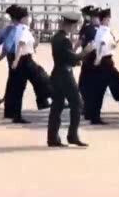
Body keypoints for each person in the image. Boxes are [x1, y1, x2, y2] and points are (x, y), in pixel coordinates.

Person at [0, 4, 51, 116]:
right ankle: (44, 100)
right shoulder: (16, 29)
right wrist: (2, 55)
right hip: (19, 58)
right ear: (22, 18)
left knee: (15, 84)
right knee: (34, 79)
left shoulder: (10, 28)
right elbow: (8, 45)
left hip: (15, 58)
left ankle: (12, 111)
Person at [47, 12, 92, 147]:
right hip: (65, 76)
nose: (77, 28)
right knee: (77, 103)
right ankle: (72, 135)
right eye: (76, 25)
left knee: (57, 106)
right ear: (72, 25)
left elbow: (66, 57)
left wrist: (75, 59)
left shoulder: (56, 37)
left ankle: (52, 137)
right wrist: (86, 52)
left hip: (57, 74)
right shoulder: (65, 40)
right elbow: (72, 59)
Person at [8, 6, 53, 123]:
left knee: (19, 88)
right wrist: (16, 60)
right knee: (42, 77)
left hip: (23, 59)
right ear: (23, 19)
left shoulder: (19, 28)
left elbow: (25, 44)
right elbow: (21, 45)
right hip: (25, 60)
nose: (29, 19)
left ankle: (17, 114)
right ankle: (48, 99)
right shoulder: (23, 29)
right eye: (27, 17)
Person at [76, 5, 101, 120]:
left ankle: (88, 108)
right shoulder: (88, 27)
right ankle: (86, 107)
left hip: (95, 60)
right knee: (84, 84)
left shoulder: (98, 28)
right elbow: (81, 41)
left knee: (89, 85)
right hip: (89, 59)